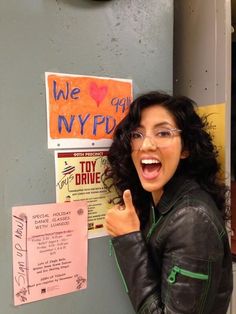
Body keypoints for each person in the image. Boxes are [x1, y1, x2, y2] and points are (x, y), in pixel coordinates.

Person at [104, 91, 233, 314]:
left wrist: (128, 241)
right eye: (137, 134)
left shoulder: (192, 219)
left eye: (163, 133)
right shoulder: (161, 203)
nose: (146, 145)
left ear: (186, 148)